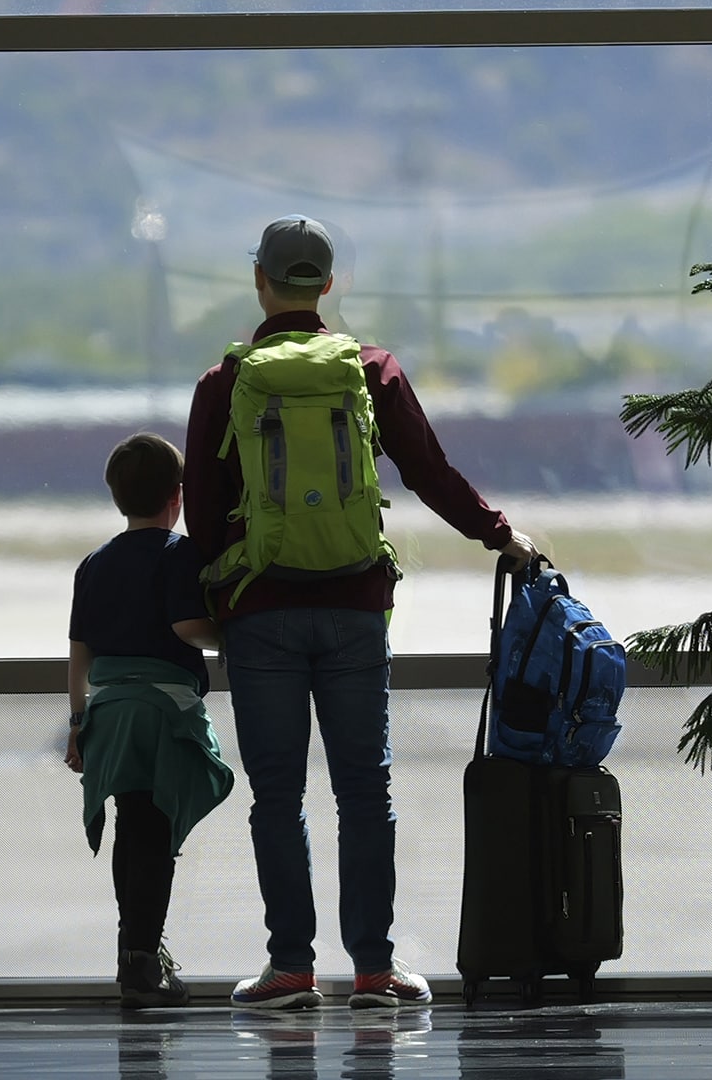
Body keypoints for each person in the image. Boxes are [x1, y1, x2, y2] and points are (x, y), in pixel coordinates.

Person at [184, 214, 536, 1011]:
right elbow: (430, 472)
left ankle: (290, 970)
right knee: (364, 794)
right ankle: (375, 972)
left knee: (277, 796)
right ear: (329, 285)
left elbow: (203, 518)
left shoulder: (225, 382)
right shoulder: (371, 370)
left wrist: (222, 602)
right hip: (353, 605)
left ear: (261, 282)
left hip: (261, 610)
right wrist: (499, 534)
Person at [65, 431, 235, 1009]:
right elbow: (189, 627)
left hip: (108, 713)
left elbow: (79, 656)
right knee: (155, 831)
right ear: (177, 496)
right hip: (159, 713)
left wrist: (76, 724)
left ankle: (131, 951)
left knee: (129, 822)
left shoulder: (93, 563)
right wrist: (228, 638)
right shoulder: (179, 554)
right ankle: (142, 962)